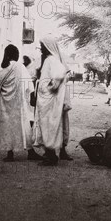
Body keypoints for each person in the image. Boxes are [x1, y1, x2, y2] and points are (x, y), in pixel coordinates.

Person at [0, 44, 39, 161]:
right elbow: (29, 84)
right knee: (24, 125)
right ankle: (30, 152)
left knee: (7, 127)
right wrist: (31, 96)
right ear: (16, 55)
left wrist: (0, 99)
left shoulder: (3, 70)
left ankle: (10, 153)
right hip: (19, 103)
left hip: (5, 104)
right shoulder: (20, 67)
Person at [33, 36, 72, 166]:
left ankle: (50, 156)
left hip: (48, 100)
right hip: (46, 100)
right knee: (48, 126)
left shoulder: (51, 60)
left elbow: (60, 74)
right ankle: (50, 155)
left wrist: (49, 87)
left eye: (43, 46)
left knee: (48, 126)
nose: (41, 49)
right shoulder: (49, 60)